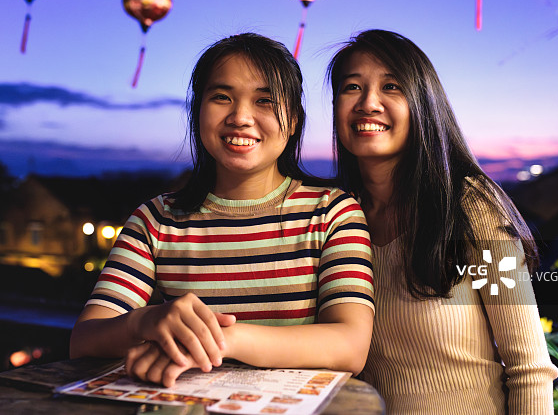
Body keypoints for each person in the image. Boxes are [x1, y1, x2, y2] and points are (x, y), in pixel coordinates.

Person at [70, 33, 374, 388]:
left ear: (293, 122)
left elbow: (350, 346)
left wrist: (220, 340)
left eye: (265, 100)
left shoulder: (332, 213)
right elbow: (83, 341)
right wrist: (144, 323)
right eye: (221, 97)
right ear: (198, 112)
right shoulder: (155, 220)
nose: (241, 117)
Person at [327, 29, 558, 414]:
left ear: (423, 103)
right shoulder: (338, 218)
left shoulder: (470, 206)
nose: (369, 103)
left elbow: (529, 367)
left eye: (392, 86)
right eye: (352, 87)